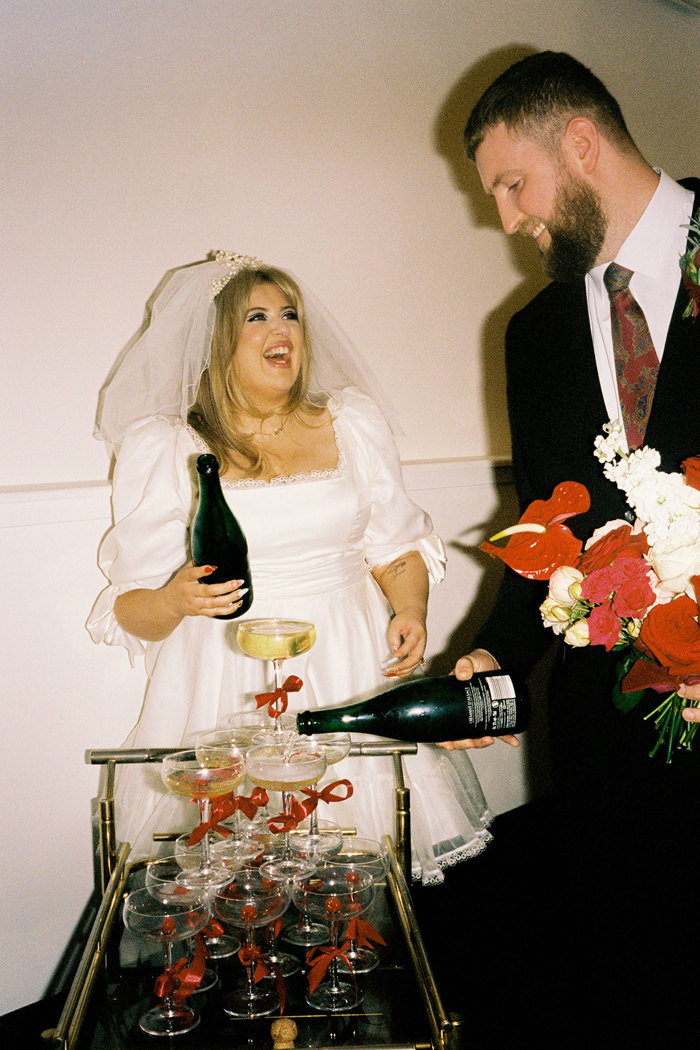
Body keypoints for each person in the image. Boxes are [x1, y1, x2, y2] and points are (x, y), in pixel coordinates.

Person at [440, 51, 700, 1038]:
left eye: (513, 183)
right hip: (605, 739)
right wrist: (495, 657)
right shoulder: (531, 333)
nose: (503, 218)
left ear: (580, 144)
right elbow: (546, 534)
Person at [88, 251, 492, 882]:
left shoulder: (351, 421)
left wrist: (411, 608)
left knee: (357, 871)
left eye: (291, 314)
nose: (283, 330)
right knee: (233, 883)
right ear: (217, 341)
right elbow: (129, 609)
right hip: (224, 683)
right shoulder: (167, 446)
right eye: (257, 316)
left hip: (349, 670)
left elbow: (395, 543)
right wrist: (174, 600)